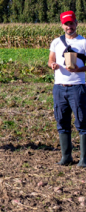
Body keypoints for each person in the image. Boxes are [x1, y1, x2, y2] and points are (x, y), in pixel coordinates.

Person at [48, 11, 86, 166]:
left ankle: (84, 159)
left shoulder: (84, 42)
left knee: (83, 123)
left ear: (76, 24)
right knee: (62, 122)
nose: (69, 26)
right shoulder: (56, 42)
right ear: (62, 25)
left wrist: (79, 70)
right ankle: (66, 157)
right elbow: (51, 59)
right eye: (66, 24)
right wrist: (53, 65)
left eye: (71, 23)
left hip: (78, 87)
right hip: (59, 87)